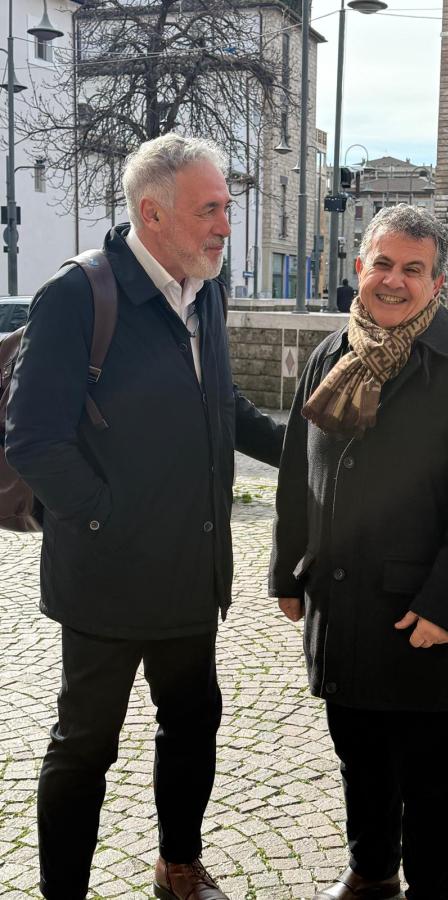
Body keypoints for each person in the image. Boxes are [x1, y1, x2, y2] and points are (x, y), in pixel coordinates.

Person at [5, 134, 284, 900]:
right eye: (210, 209)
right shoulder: (77, 296)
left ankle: (178, 864)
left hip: (192, 572)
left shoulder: (206, 287)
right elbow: (32, 439)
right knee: (85, 746)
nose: (225, 223)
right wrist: (107, 520)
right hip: (106, 578)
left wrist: (298, 452)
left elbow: (219, 404)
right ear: (152, 213)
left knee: (192, 725)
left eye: (227, 205)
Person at [269, 205, 448, 900]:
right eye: (382, 263)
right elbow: (299, 471)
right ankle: (373, 872)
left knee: (430, 778)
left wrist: (447, 605)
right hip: (341, 606)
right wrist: (286, 573)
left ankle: (431, 890)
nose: (393, 280)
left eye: (412, 269)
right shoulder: (331, 355)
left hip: (419, 617)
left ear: (436, 283)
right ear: (360, 267)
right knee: (359, 759)